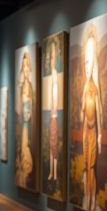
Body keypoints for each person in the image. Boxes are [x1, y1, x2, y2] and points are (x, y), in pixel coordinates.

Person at [81, 25, 103, 211]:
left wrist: (100, 135)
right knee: (87, 167)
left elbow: (100, 112)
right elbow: (82, 112)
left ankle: (91, 200)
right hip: (85, 132)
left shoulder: (96, 89)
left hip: (93, 130)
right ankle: (87, 199)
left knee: (92, 168)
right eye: (85, 62)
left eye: (91, 61)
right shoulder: (84, 89)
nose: (88, 66)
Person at [16, 51, 34, 187]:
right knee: (22, 143)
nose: (26, 69)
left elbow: (31, 103)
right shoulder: (22, 87)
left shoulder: (30, 87)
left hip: (28, 120)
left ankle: (27, 166)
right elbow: (19, 106)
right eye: (24, 66)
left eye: (28, 66)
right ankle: (23, 165)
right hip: (23, 120)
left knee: (26, 143)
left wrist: (28, 107)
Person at [47, 41, 59, 181]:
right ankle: (51, 172)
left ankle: (54, 173)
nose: (52, 61)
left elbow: (55, 95)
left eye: (53, 58)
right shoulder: (51, 75)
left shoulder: (55, 74)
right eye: (50, 58)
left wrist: (54, 109)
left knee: (54, 145)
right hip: (51, 116)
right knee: (51, 145)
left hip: (54, 115)